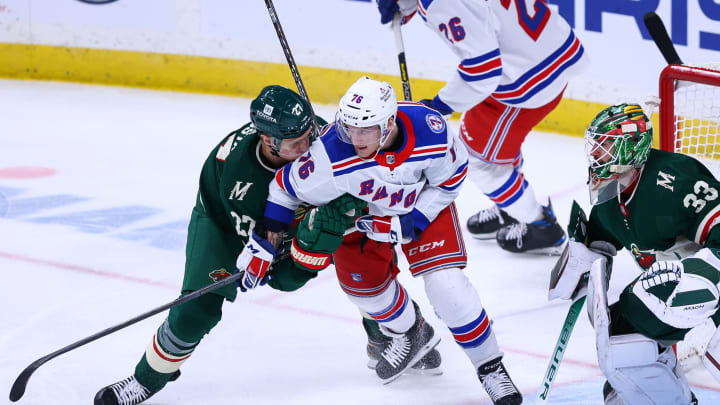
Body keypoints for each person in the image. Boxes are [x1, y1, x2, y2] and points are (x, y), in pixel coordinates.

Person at [93, 85, 423, 405]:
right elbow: (280, 274)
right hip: (222, 220)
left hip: (292, 214)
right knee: (197, 309)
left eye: (310, 133)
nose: (309, 145)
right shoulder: (239, 177)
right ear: (268, 140)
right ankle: (146, 379)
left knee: (355, 254)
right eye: (297, 143)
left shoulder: (326, 140)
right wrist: (290, 247)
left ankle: (391, 329)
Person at [257, 76, 522, 404]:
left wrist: (415, 219)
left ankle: (490, 367)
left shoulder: (431, 131)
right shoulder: (331, 153)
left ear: (390, 123)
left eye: (365, 130)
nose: (355, 138)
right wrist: (266, 241)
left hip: (423, 208)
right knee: (366, 295)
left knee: (448, 289)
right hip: (363, 221)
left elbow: (451, 178)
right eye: (349, 127)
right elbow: (285, 189)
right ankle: (413, 332)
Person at [375, 0, 589, 254]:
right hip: (548, 51)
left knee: (482, 163)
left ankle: (541, 226)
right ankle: (511, 208)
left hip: (525, 77)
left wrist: (438, 106)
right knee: (493, 149)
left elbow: (482, 69)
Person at [549, 103, 720, 404]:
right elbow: (601, 240)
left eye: (606, 145)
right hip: (675, 298)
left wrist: (701, 280)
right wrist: (582, 261)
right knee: (621, 343)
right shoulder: (610, 193)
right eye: (596, 144)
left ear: (630, 150)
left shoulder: (677, 179)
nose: (596, 153)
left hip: (709, 288)